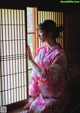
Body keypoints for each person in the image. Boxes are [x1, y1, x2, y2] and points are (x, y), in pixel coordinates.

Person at [24, 20, 70, 113]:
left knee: (43, 110)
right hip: (42, 96)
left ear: (49, 33)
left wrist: (31, 60)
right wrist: (34, 98)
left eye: (41, 31)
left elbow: (48, 78)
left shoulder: (60, 55)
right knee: (31, 109)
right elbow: (35, 75)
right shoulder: (41, 51)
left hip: (57, 96)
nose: (39, 34)